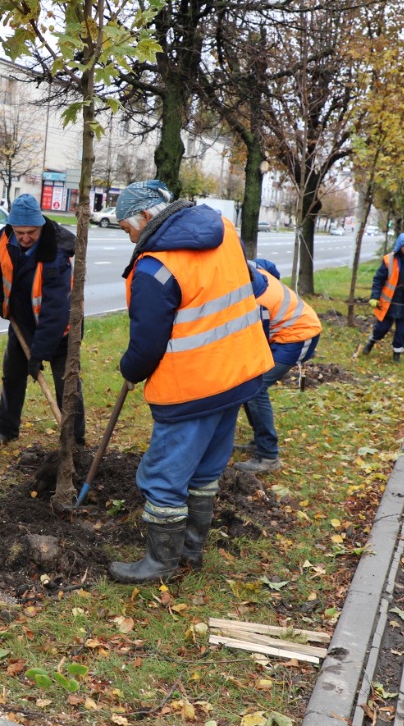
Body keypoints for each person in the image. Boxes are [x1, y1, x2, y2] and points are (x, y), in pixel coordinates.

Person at [109, 180, 273, 583]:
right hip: (239, 375)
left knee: (163, 476)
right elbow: (250, 286)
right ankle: (190, 553)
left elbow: (146, 346)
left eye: (127, 227)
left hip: (193, 389)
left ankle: (160, 563)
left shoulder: (155, 268)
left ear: (146, 216)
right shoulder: (224, 232)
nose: (130, 237)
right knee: (205, 471)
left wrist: (130, 369)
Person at [0, 193, 85, 448]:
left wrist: (38, 354)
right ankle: (6, 430)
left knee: (68, 385)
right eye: (20, 232)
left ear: (40, 226)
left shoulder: (56, 255)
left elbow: (55, 310)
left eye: (31, 232)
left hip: (61, 331)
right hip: (21, 323)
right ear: (12, 228)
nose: (25, 238)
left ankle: (75, 440)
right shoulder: (5, 238)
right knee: (12, 376)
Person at [234, 258, 321, 475]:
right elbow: (269, 265)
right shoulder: (251, 265)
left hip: (299, 335)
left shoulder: (258, 304)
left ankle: (268, 456)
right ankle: (258, 441)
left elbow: (257, 342)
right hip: (285, 332)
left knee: (254, 387)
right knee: (249, 384)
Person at [359, 232, 404, 362]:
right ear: (399, 246)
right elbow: (378, 279)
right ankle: (371, 342)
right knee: (381, 328)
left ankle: (397, 355)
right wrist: (374, 297)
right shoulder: (388, 259)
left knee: (401, 332)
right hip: (389, 303)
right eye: (403, 245)